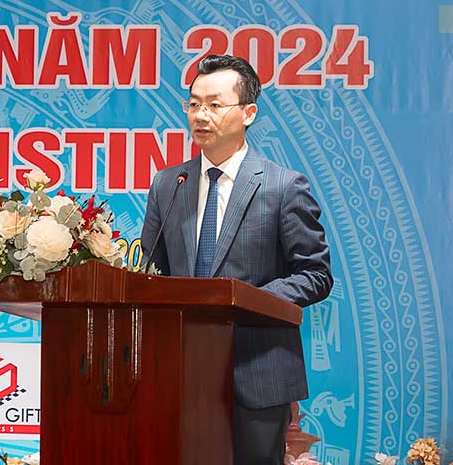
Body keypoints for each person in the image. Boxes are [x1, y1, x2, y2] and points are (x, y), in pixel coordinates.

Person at [138, 54, 332, 465]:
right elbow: (151, 275)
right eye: (193, 104)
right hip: (179, 372)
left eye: (214, 104)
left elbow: (315, 274)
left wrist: (246, 300)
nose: (200, 115)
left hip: (257, 371)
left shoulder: (283, 186)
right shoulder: (169, 184)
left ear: (248, 113)